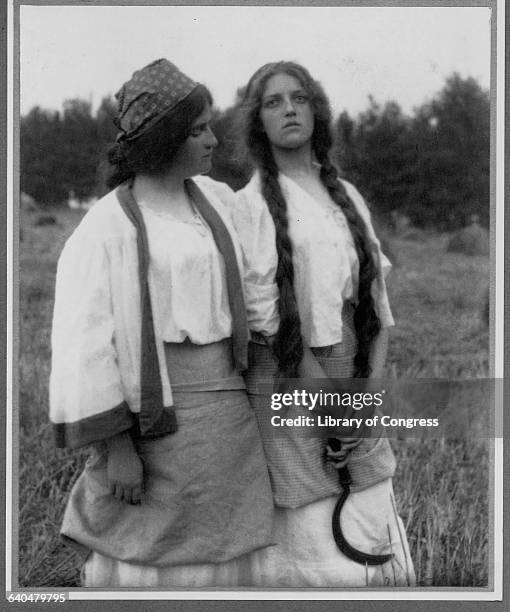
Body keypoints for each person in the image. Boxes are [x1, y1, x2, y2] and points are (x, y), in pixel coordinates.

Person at [49, 59, 274, 588]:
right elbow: (85, 343)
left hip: (226, 417)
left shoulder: (218, 202)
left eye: (210, 127)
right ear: (164, 138)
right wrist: (118, 449)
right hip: (155, 418)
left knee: (224, 555)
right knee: (152, 556)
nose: (214, 140)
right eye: (197, 131)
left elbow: (266, 261)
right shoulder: (106, 226)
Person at [230, 61, 415, 587]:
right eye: (273, 102)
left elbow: (377, 308)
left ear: (317, 110)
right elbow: (268, 322)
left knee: (369, 498)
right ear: (257, 123)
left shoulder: (347, 195)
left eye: (299, 98)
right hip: (288, 378)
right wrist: (332, 402)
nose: (289, 108)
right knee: (310, 522)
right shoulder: (249, 207)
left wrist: (364, 398)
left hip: (351, 374)